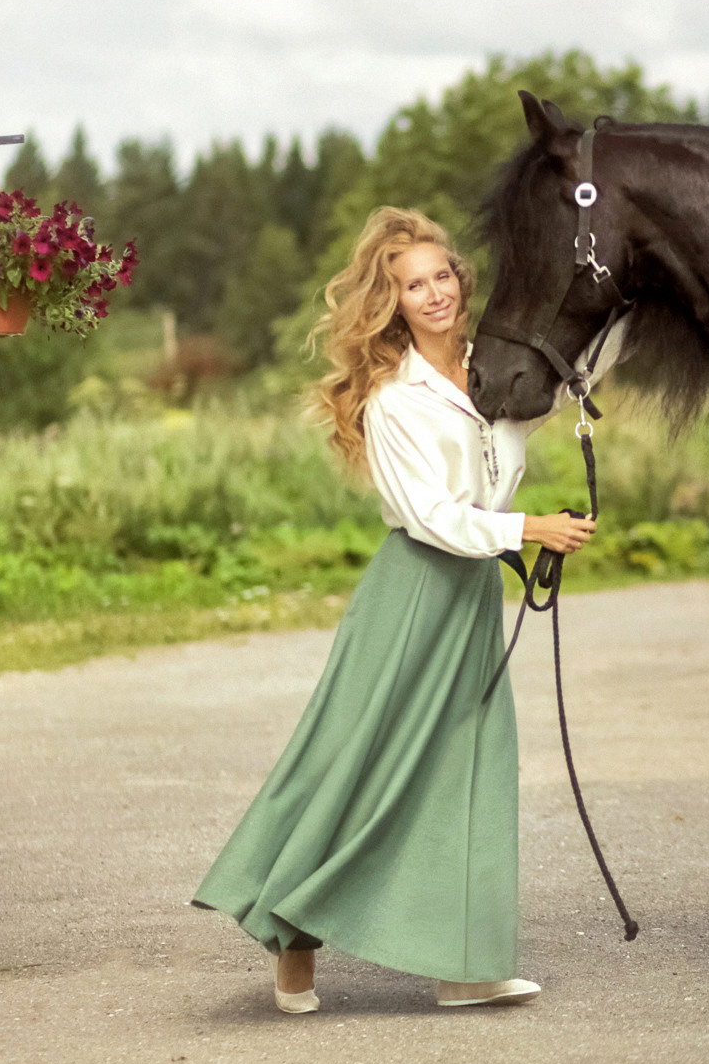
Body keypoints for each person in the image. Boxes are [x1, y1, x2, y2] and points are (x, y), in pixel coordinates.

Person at [190, 205, 620, 1013]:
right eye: (412, 286)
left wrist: (633, 292)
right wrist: (530, 527)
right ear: (392, 303)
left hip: (470, 597)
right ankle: (290, 942)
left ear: (462, 280)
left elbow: (581, 369)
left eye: (441, 277)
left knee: (468, 768)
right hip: (412, 591)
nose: (433, 295)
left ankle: (465, 965)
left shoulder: (497, 374)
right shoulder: (394, 401)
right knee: (353, 768)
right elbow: (430, 515)